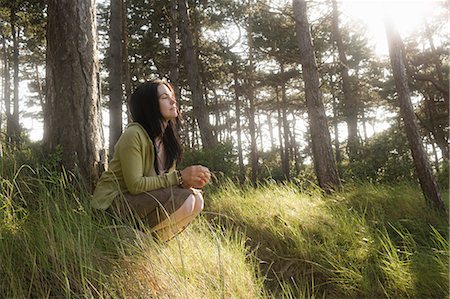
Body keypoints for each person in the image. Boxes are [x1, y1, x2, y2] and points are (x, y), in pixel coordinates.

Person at [92, 79, 211, 242]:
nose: (173, 100)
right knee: (188, 199)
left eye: (172, 96)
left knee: (197, 199)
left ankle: (150, 241)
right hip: (113, 205)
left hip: (140, 203)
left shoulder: (167, 141)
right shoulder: (133, 135)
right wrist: (180, 178)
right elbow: (135, 185)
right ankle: (124, 233)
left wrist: (186, 182)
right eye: (164, 97)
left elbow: (162, 184)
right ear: (149, 105)